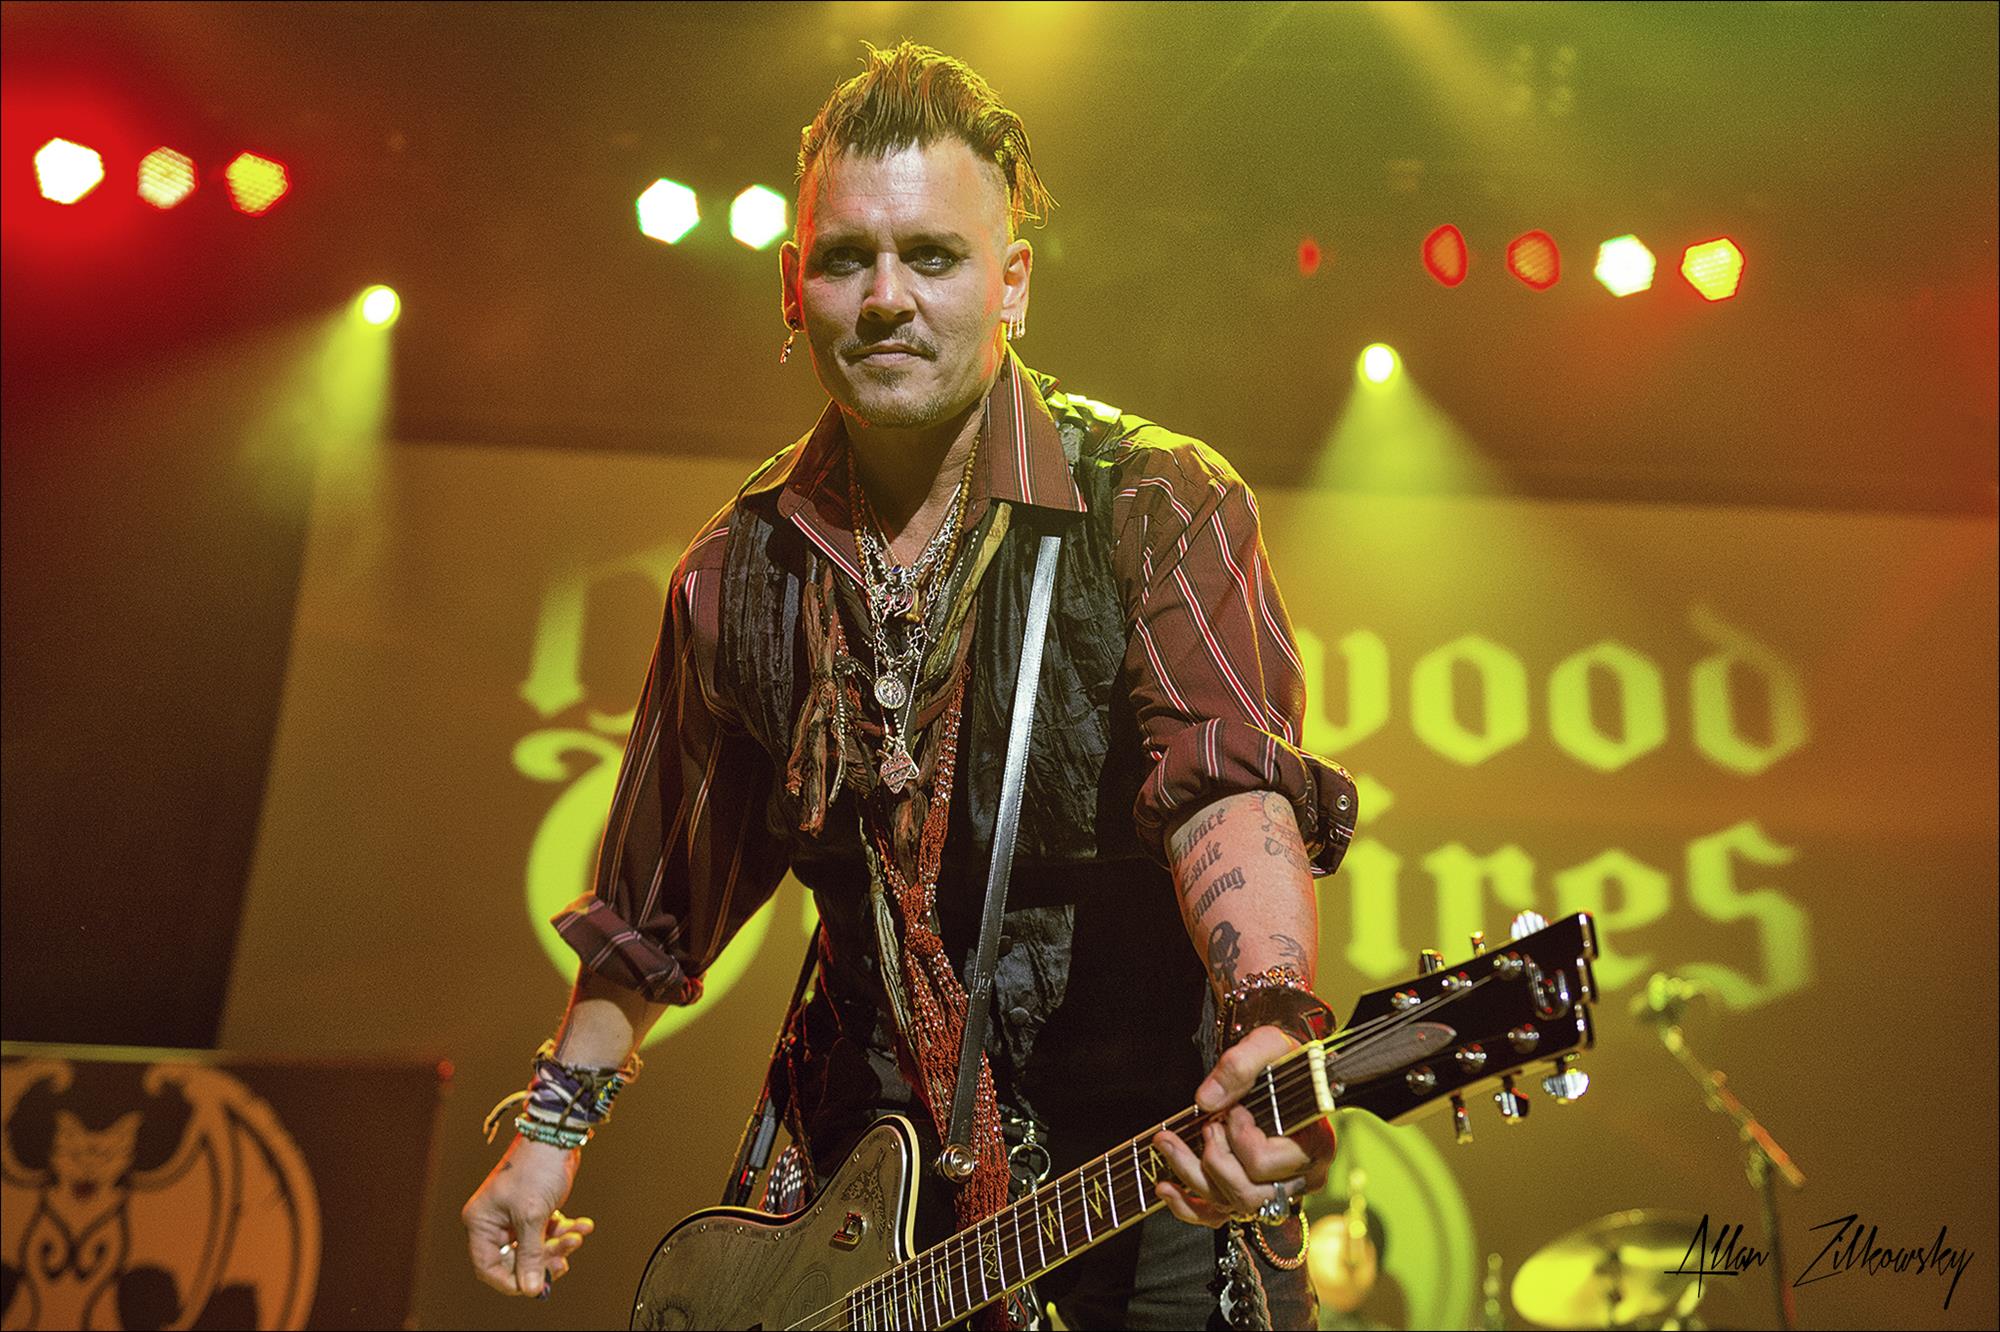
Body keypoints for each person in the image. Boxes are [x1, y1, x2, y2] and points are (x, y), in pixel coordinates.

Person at [461, 39, 1358, 1330]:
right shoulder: (738, 569)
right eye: (846, 259)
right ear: (793, 286)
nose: (886, 298)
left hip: (1146, 1172)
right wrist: (547, 1140)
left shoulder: (1153, 499)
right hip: (863, 1196)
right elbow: (661, 907)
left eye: (933, 256)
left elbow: (1226, 788)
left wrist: (1270, 1017)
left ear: (1013, 284)